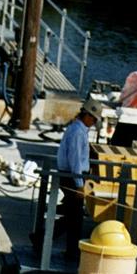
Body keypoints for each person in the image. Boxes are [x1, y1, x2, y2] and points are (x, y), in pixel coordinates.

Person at [54, 99, 100, 258]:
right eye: (93, 119)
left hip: (72, 176)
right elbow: (74, 160)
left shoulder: (77, 130)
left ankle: (42, 238)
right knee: (75, 217)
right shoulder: (77, 132)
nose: (94, 122)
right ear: (86, 115)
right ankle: (71, 252)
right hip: (72, 177)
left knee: (72, 215)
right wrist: (79, 184)